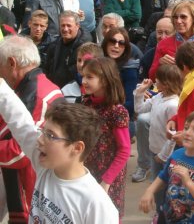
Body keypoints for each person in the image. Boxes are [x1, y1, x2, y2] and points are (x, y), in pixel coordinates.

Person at [0, 83, 119, 223]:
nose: (40, 140)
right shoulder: (44, 166)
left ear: (77, 148)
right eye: (43, 132)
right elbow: (21, 122)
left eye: (50, 136)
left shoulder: (97, 205)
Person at [0, 36, 64, 223]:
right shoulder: (32, 87)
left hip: (33, 189)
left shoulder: (39, 94)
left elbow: (21, 151)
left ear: (12, 63)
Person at [139, 110, 194, 224]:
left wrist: (188, 182)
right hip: (169, 216)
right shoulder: (177, 154)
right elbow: (164, 176)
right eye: (186, 128)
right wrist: (149, 191)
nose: (187, 133)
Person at [81, 57, 131, 219]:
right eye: (83, 76)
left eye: (90, 77)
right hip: (87, 172)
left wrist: (107, 181)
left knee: (107, 215)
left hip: (109, 177)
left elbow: (124, 150)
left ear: (105, 80)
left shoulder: (117, 111)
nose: (84, 81)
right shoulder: (87, 104)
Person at [134, 64, 182, 216]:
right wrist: (139, 93)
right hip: (154, 150)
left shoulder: (173, 104)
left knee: (169, 186)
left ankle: (166, 213)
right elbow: (139, 109)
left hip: (165, 154)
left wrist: (162, 155)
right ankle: (160, 212)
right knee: (156, 185)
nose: (155, 82)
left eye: (158, 80)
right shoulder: (158, 97)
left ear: (166, 83)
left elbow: (173, 136)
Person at [149, 0, 194, 79]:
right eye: (175, 17)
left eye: (183, 17)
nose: (178, 21)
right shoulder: (163, 43)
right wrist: (160, 64)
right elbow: (152, 77)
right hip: (170, 90)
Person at [102, 27, 140, 137]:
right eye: (112, 41)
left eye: (121, 43)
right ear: (106, 43)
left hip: (120, 117)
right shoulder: (97, 64)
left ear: (126, 47)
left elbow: (130, 105)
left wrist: (108, 110)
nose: (116, 46)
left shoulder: (130, 69)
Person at [44, 11, 92, 88]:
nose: (65, 29)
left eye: (69, 26)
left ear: (77, 26)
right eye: (63, 25)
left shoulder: (85, 48)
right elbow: (46, 68)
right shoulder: (54, 45)